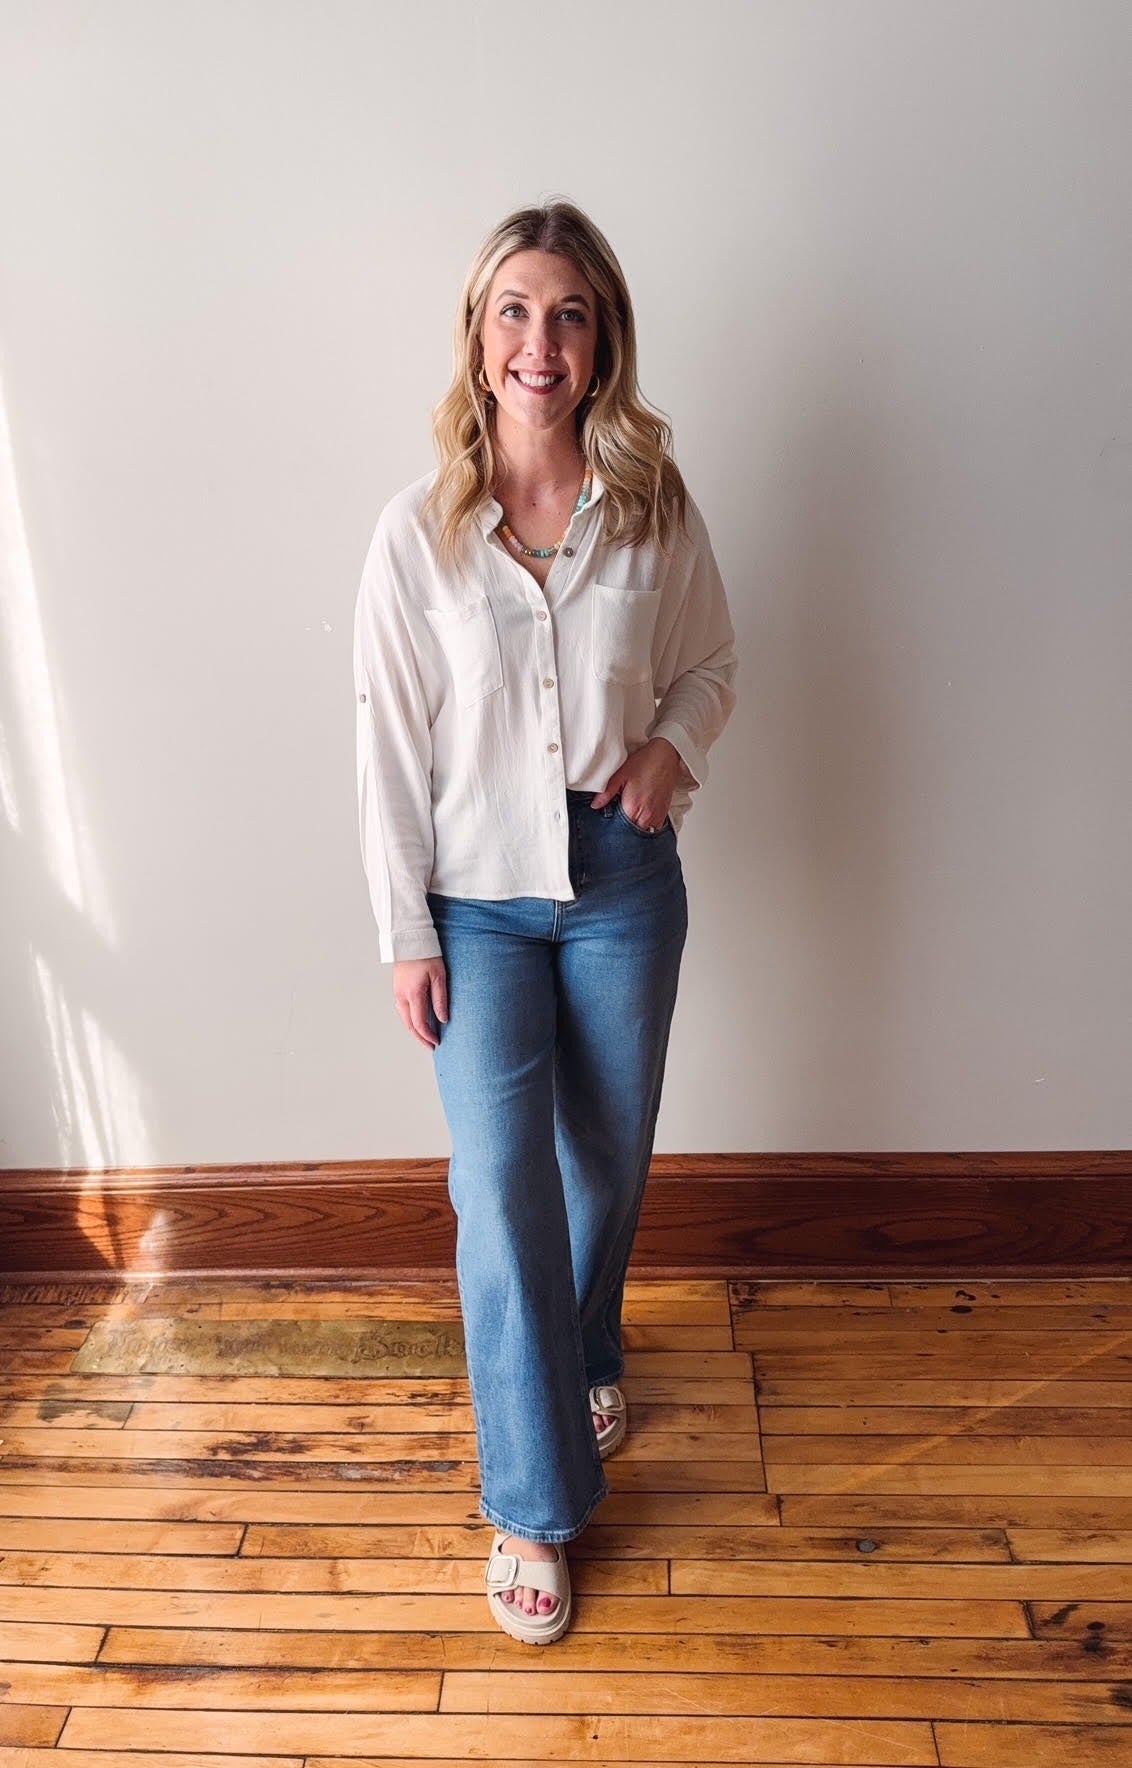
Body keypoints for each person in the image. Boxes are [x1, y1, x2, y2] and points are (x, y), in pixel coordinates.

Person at [352, 198, 738, 1645]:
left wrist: (671, 754)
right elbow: (386, 745)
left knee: (606, 1158)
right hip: (478, 901)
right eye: (514, 311)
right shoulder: (417, 533)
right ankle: (532, 1500)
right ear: (478, 337)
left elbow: (712, 662)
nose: (540, 341)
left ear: (601, 343)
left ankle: (583, 1351)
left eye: (568, 313)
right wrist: (407, 929)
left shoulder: (653, 506)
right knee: (498, 1184)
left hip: (625, 881)